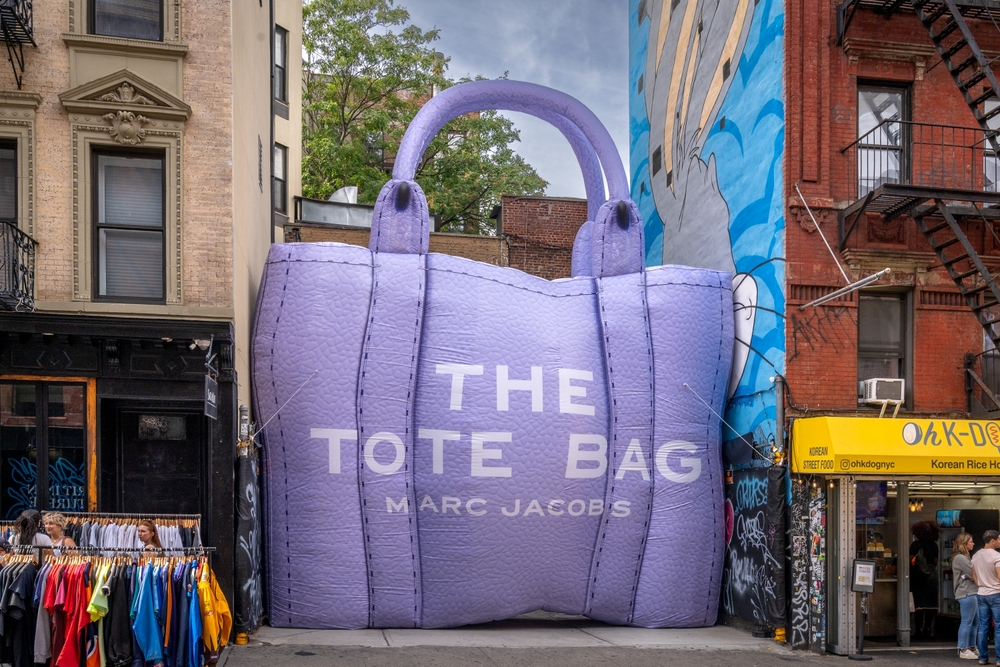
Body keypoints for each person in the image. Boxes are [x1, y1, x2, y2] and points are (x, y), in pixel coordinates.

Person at [910, 520, 940, 638]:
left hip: (918, 576)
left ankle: (918, 629)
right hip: (931, 575)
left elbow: (912, 561)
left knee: (919, 604)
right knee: (931, 604)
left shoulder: (915, 545)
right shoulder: (934, 545)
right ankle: (928, 628)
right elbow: (936, 561)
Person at [974, 530, 1000, 664]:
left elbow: (975, 577)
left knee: (983, 626)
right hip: (996, 593)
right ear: (993, 541)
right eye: (999, 539)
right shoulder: (997, 556)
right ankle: (999, 659)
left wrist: (982, 585)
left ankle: (983, 658)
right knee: (999, 627)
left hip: (981, 593)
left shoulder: (976, 555)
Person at [953, 532, 979, 660]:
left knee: (975, 622)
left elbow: (971, 575)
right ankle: (963, 648)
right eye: (971, 542)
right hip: (967, 592)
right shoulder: (961, 558)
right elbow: (974, 574)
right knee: (967, 621)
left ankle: (971, 646)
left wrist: (970, 576)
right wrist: (971, 576)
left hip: (971, 592)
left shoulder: (964, 558)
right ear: (964, 544)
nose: (973, 543)